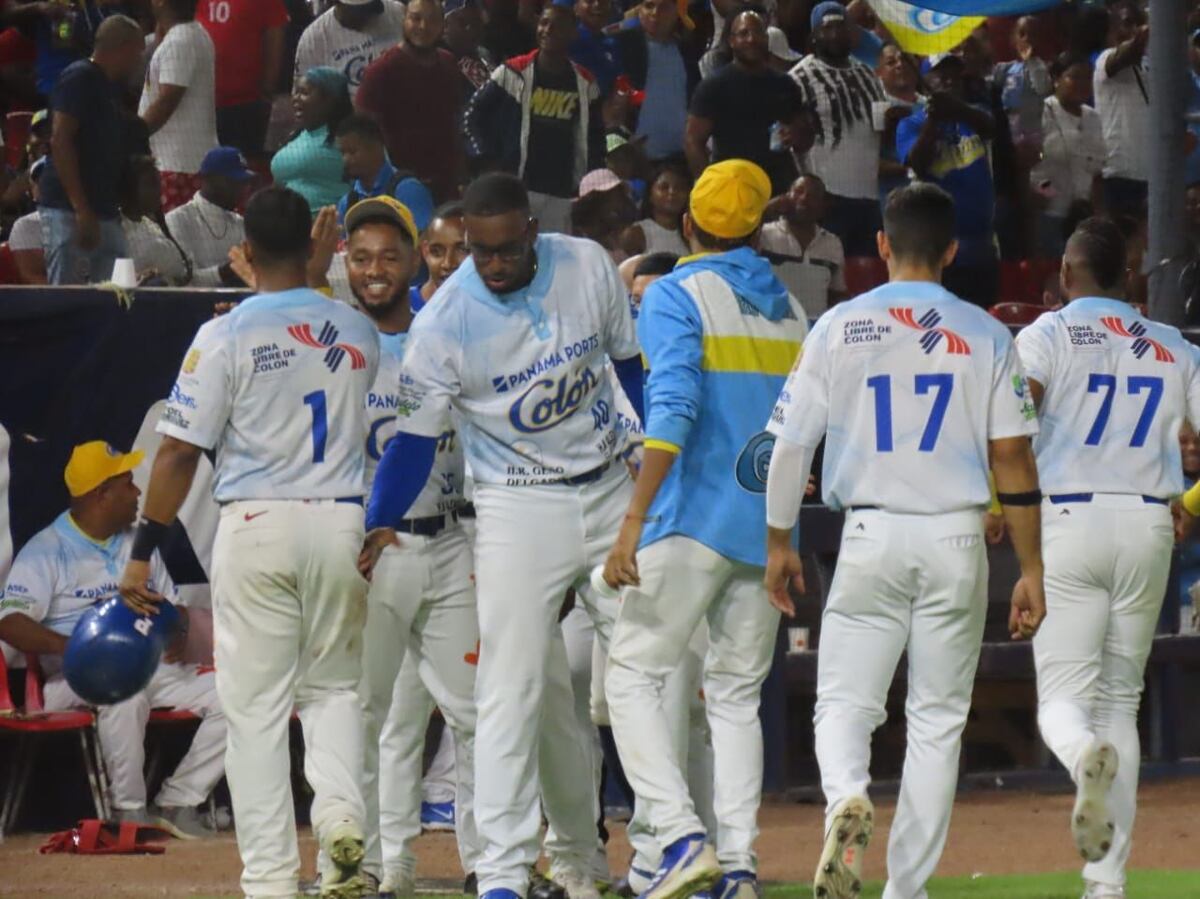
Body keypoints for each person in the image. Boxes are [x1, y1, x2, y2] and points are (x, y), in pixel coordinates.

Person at [361, 171, 645, 899]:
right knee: (511, 690)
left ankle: (650, 848)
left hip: (609, 484)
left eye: (501, 248)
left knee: (646, 669)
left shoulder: (583, 265)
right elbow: (414, 444)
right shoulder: (446, 318)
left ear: (530, 229)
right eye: (475, 251)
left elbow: (628, 368)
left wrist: (651, 467)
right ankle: (506, 872)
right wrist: (378, 519)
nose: (489, 263)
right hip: (516, 509)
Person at [763, 183, 1045, 899]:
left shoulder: (839, 324)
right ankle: (905, 888)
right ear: (953, 250)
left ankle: (847, 795)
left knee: (845, 705)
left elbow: (789, 447)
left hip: (869, 533)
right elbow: (1013, 459)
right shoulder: (986, 332)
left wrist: (778, 541)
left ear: (880, 246)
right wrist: (1032, 566)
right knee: (937, 723)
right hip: (955, 538)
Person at [117, 186, 380, 899]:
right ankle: (342, 819)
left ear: (245, 253)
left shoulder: (225, 333)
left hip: (258, 524)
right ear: (314, 249)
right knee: (334, 692)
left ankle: (269, 878)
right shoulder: (357, 328)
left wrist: (141, 548)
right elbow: (366, 412)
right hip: (341, 521)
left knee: (257, 708)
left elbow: (174, 456)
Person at [603, 158, 807, 899]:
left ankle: (680, 834)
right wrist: (784, 534)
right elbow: (801, 433)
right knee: (734, 697)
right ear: (757, 228)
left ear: (688, 226)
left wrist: (632, 520)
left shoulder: (676, 292)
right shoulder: (791, 308)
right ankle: (741, 865)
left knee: (631, 676)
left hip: (688, 518)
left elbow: (675, 409)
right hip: (761, 527)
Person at [1017, 218, 1200, 899]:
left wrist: (996, 505)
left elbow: (1013, 427)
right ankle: (1106, 882)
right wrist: (1193, 502)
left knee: (1063, 700)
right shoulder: (1174, 345)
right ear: (1132, 275)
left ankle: (1078, 757)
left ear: (1067, 273)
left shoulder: (1046, 334)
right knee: (1121, 698)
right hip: (1150, 520)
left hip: (1067, 516)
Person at [337, 195, 480, 895]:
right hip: (375, 552)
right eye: (361, 257)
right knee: (380, 717)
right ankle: (381, 862)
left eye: (389, 256)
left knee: (476, 711)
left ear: (412, 259)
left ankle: (491, 861)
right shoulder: (334, 344)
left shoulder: (444, 335)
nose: (374, 270)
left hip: (450, 539)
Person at [0, 441, 226, 840]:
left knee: (239, 695)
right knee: (122, 693)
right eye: (127, 483)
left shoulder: (139, 544)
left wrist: (175, 629)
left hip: (149, 666)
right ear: (100, 494)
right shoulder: (48, 549)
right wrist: (75, 649)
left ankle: (177, 800)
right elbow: (10, 622)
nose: (138, 492)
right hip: (75, 678)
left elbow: (173, 608)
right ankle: (129, 812)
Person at [464, 4, 606, 234]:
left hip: (562, 193)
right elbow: (472, 116)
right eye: (544, 23)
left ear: (573, 33)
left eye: (558, 26)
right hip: (517, 188)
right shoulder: (511, 72)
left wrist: (590, 185)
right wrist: (486, 158)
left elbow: (596, 139)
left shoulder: (586, 83)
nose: (548, 30)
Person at [37, 14, 143, 285]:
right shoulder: (80, 77)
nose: (138, 61)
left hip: (104, 210)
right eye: (137, 52)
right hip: (69, 210)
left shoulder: (109, 89)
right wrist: (81, 209)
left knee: (116, 293)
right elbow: (61, 140)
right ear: (123, 47)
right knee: (67, 297)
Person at [896, 53, 998, 308]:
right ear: (925, 82)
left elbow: (992, 128)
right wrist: (935, 120)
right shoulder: (910, 124)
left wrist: (958, 110)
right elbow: (917, 163)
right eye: (940, 75)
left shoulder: (976, 114)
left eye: (954, 75)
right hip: (937, 246)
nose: (949, 80)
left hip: (980, 245)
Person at [789, 1, 886, 257]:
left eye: (841, 27)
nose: (835, 34)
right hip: (827, 198)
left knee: (869, 279)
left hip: (869, 195)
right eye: (827, 28)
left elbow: (879, 127)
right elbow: (788, 138)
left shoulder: (868, 74)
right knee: (832, 277)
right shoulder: (799, 77)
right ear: (814, 35)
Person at [685, 8, 811, 195]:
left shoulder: (785, 84)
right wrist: (710, 187)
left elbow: (803, 140)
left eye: (757, 32)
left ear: (766, 38)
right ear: (732, 41)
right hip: (732, 186)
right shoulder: (713, 86)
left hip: (778, 187)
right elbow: (693, 141)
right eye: (743, 33)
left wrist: (797, 134)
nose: (751, 39)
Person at [355, 0, 465, 204]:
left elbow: (455, 123)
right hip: (398, 189)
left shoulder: (449, 63)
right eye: (416, 18)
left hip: (445, 187)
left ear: (443, 25)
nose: (423, 27)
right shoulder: (381, 71)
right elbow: (363, 135)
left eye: (432, 20)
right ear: (404, 19)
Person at [139, 0, 219, 214]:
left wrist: (134, 134)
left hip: (177, 165)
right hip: (183, 161)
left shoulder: (180, 41)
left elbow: (168, 99)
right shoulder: (192, 33)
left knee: (176, 238)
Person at [1030, 54, 1104, 259]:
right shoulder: (1042, 111)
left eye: (1087, 78)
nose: (1082, 84)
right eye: (1075, 77)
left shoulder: (1093, 117)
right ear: (1056, 78)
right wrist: (1046, 195)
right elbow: (1027, 161)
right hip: (1049, 216)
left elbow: (1098, 171)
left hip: (1083, 219)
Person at [197, 0, 288, 159]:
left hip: (246, 102)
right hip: (198, 101)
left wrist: (268, 86)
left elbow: (275, 35)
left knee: (244, 167)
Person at [613, 0, 700, 163]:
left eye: (664, 7)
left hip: (679, 156)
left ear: (676, 12)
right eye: (649, 6)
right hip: (635, 156)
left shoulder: (687, 51)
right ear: (639, 11)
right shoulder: (624, 45)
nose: (655, 13)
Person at [758, 173, 846, 320]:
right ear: (786, 196)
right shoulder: (764, 235)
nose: (804, 198)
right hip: (776, 325)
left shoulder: (832, 243)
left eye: (813, 196)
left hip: (816, 329)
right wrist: (767, 210)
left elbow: (837, 294)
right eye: (798, 191)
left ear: (822, 206)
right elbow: (735, 240)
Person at [271, 66, 353, 216]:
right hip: (286, 228)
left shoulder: (349, 136)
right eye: (296, 92)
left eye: (304, 93)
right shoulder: (294, 138)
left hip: (331, 227)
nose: (296, 98)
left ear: (330, 99)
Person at [165, 147, 252, 287]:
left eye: (243, 183)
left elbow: (252, 278)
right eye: (233, 182)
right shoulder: (178, 220)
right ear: (206, 179)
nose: (242, 189)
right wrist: (230, 268)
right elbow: (185, 279)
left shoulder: (239, 222)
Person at [1093, 1, 1149, 220]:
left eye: (1137, 24)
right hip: (1120, 173)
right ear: (1111, 29)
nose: (1131, 29)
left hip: (1152, 173)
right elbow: (1130, 50)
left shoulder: (1149, 65)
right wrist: (1151, 29)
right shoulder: (1105, 60)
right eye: (1126, 23)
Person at [334, 114, 435, 232]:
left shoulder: (408, 191)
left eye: (352, 152)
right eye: (342, 153)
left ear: (377, 148)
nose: (345, 159)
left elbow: (426, 240)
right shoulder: (346, 204)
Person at [294, 0, 406, 99]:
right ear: (335, 3)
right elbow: (303, 98)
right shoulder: (314, 39)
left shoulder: (397, 13)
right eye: (358, 11)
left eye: (369, 9)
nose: (365, 15)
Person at [119, 156, 194, 286]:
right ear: (130, 188)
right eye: (151, 184)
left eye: (159, 184)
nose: (159, 191)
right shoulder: (117, 229)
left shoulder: (152, 226)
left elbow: (181, 274)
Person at [570, 168, 639, 263]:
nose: (617, 204)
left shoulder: (622, 242)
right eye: (608, 198)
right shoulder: (576, 244)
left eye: (619, 196)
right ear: (591, 202)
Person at [412, 201, 469, 312]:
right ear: (425, 251)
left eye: (462, 250)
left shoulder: (495, 314)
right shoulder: (399, 308)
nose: (447, 263)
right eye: (436, 251)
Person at [626, 164, 689, 257]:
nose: (672, 192)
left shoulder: (691, 234)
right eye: (664, 187)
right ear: (650, 195)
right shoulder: (637, 233)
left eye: (679, 187)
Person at [442, 0, 493, 101]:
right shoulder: (439, 61)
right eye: (464, 24)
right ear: (445, 25)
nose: (472, 31)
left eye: (476, 24)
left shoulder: (485, 55)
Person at [8, 156, 46, 284]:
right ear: (32, 190)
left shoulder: (102, 220)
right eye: (39, 180)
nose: (46, 184)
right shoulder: (27, 225)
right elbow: (32, 277)